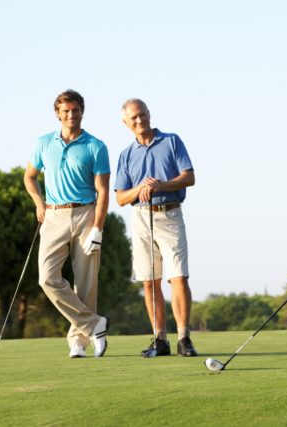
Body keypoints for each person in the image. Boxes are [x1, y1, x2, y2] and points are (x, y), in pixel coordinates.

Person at [24, 89, 111, 358]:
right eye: (65, 111)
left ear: (82, 111)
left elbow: (104, 192)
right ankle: (94, 323)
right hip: (53, 215)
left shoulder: (96, 146)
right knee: (47, 278)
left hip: (86, 215)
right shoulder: (42, 143)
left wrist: (98, 227)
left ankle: (78, 342)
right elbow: (30, 177)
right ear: (57, 114)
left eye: (75, 110)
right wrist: (39, 204)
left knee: (85, 284)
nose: (71, 115)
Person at [114, 98, 198, 357]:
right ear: (125, 123)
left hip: (169, 213)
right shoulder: (126, 155)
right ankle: (159, 339)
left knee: (178, 277)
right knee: (150, 282)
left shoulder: (172, 141)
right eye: (134, 118)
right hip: (141, 219)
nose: (140, 121)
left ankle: (184, 338)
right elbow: (120, 198)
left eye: (143, 115)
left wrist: (160, 185)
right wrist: (139, 189)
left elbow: (189, 177)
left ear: (149, 114)